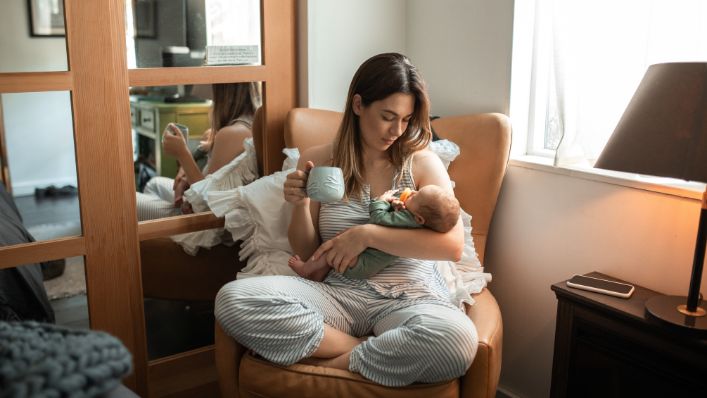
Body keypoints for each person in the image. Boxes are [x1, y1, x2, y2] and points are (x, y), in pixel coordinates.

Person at [215, 53, 477, 387]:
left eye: (406, 119)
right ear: (358, 105)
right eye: (387, 116)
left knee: (455, 341)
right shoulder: (317, 159)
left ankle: (335, 361)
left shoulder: (423, 163)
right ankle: (363, 351)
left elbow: (451, 246)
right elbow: (308, 249)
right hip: (339, 296)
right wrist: (299, 201)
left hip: (412, 296)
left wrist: (367, 235)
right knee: (233, 299)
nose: (397, 130)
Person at [136, 82, 261, 221]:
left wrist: (182, 155)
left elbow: (207, 204)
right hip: (198, 207)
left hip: (205, 226)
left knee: (133, 202)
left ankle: (160, 234)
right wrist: (185, 174)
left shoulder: (231, 134)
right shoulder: (249, 121)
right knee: (153, 184)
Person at [288, 185, 460, 281]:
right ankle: (319, 273)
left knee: (334, 247)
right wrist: (397, 205)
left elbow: (379, 219)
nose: (412, 192)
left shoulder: (407, 220)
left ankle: (306, 269)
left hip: (363, 264)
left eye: (416, 196)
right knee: (337, 246)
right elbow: (394, 222)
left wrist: (381, 201)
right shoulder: (415, 222)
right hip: (365, 262)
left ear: (420, 219)